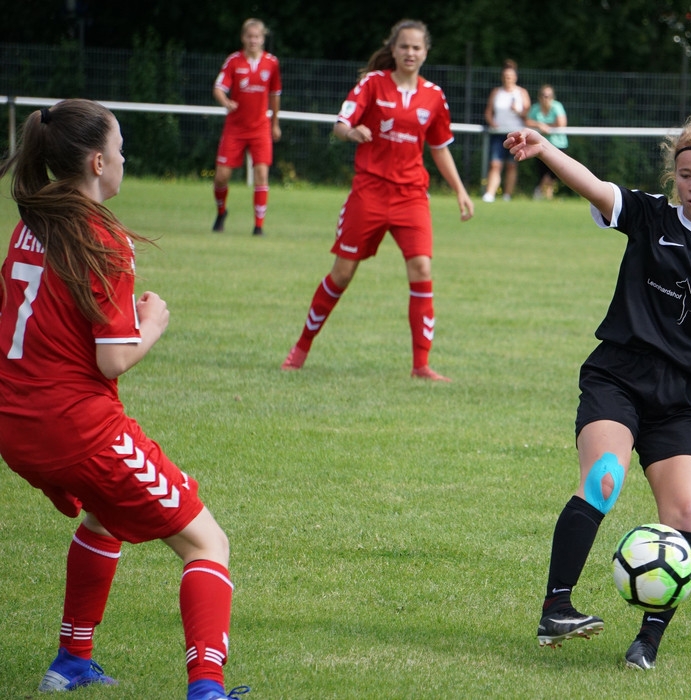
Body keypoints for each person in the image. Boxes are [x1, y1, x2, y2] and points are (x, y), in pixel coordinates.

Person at [505, 115, 691, 670]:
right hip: (618, 376)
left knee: (684, 510)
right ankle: (556, 608)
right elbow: (594, 186)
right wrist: (543, 150)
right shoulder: (651, 214)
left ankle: (647, 643)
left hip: (681, 399)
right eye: (685, 175)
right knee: (604, 479)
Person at [0, 99, 247, 700]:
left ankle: (71, 662)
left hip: (16, 424)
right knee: (208, 543)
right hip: (75, 428)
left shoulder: (33, 221)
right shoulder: (101, 235)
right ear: (97, 162)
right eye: (120, 149)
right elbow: (113, 358)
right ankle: (207, 690)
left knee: (105, 513)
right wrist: (153, 323)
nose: (124, 159)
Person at [280, 19, 474, 381]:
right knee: (342, 273)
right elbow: (340, 124)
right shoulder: (372, 83)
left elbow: (439, 147)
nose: (410, 53)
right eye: (404, 47)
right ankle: (301, 348)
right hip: (369, 192)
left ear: (426, 52)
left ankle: (421, 365)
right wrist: (351, 131)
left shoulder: (434, 95)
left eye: (417, 47)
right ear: (393, 49)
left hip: (411, 196)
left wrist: (460, 190)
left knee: (422, 269)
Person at [211, 18, 282, 236]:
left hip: (260, 127)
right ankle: (221, 211)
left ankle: (258, 226)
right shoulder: (234, 61)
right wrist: (226, 102)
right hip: (235, 128)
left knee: (261, 174)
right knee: (222, 176)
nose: (253, 40)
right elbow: (218, 88)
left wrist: (275, 123)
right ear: (243, 38)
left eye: (257, 37)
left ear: (263, 39)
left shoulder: (271, 63)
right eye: (250, 36)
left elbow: (275, 94)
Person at [482, 59, 531, 202]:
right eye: (504, 76)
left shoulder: (521, 92)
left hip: (515, 134)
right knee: (495, 164)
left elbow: (527, 114)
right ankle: (490, 194)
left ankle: (507, 195)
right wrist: (492, 123)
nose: (507, 79)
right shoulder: (496, 92)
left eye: (509, 76)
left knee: (511, 165)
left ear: (515, 77)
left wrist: (518, 111)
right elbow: (488, 112)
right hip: (498, 133)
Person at [524, 84, 568, 200]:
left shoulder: (557, 106)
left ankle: (539, 191)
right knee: (543, 172)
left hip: (558, 144)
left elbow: (561, 123)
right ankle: (547, 197)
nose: (546, 98)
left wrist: (545, 126)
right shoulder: (535, 108)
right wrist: (539, 125)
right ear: (539, 97)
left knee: (556, 173)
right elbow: (527, 122)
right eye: (543, 95)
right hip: (541, 145)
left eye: (548, 96)